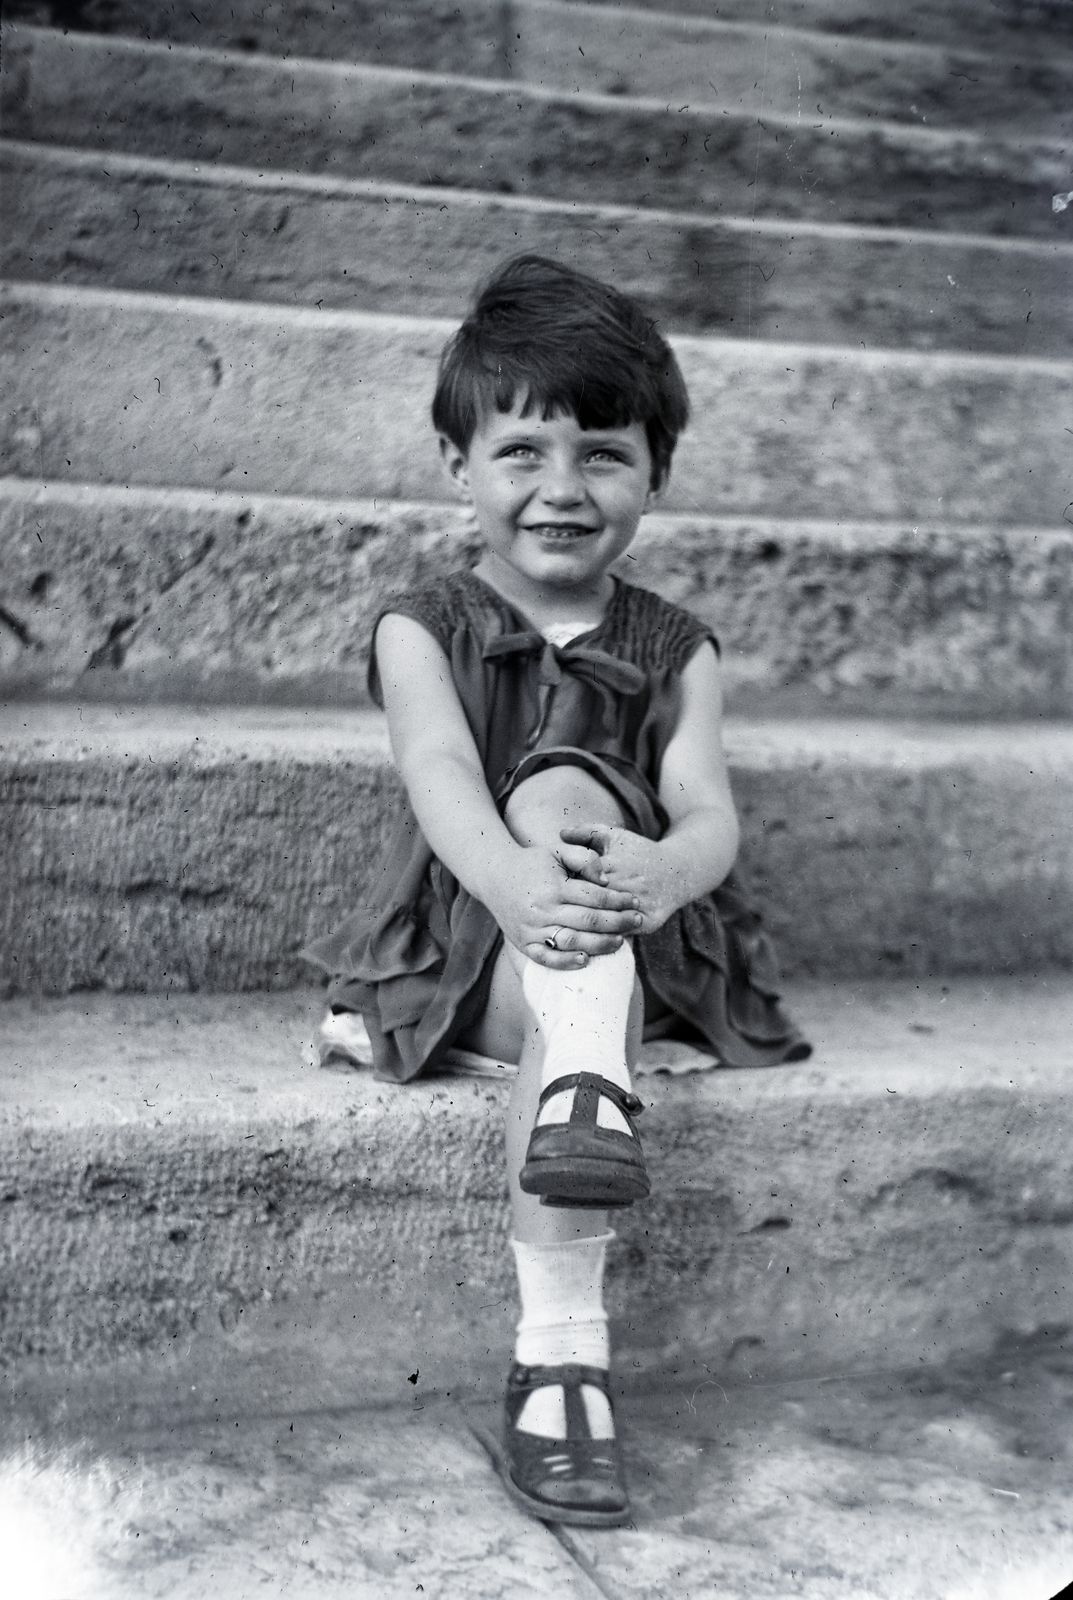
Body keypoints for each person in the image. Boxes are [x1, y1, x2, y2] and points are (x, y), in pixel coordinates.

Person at [304, 254, 809, 1528]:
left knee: (581, 814)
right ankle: (584, 1103)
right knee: (546, 799)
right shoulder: (423, 625)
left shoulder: (674, 645)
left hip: (626, 945)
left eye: (602, 454)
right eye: (522, 451)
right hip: (476, 946)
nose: (562, 488)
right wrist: (523, 893)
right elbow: (440, 782)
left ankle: (558, 1356)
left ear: (656, 475)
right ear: (455, 469)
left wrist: (657, 875)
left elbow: (707, 815)